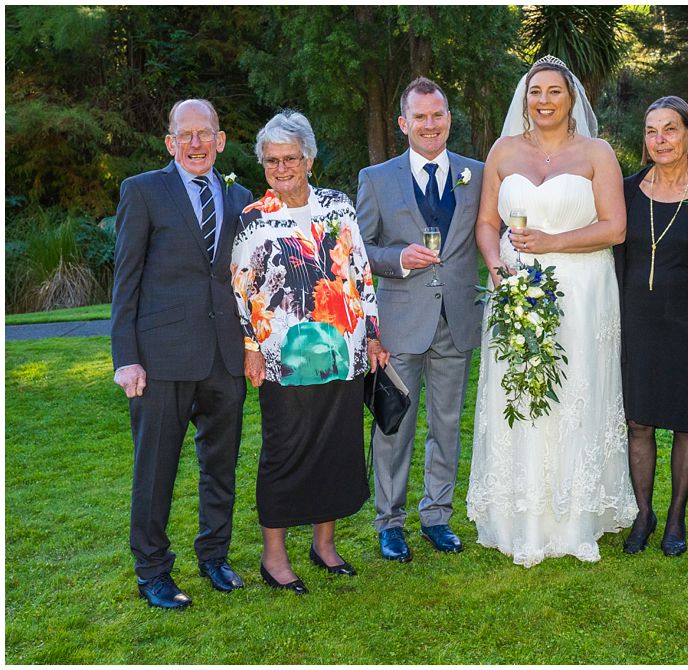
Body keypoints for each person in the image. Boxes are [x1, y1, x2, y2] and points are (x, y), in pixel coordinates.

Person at [466, 56, 637, 568]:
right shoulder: (502, 151)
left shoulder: (597, 153)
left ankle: (575, 515)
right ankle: (523, 513)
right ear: (525, 100)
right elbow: (485, 224)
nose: (543, 100)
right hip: (516, 288)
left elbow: (615, 227)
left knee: (577, 391)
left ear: (571, 100)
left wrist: (552, 241)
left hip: (583, 290)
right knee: (519, 391)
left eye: (554, 92)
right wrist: (497, 267)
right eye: (535, 92)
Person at [232, 110, 388, 593]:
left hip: (344, 354)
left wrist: (374, 334)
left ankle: (324, 546)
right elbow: (240, 289)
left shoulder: (338, 206)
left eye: (291, 158)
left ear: (310, 159)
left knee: (336, 449)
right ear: (262, 165)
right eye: (272, 160)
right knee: (284, 451)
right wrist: (249, 347)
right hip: (284, 360)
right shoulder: (254, 219)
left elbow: (361, 274)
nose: (281, 168)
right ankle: (273, 557)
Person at [111, 99, 252, 609]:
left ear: (220, 139)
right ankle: (152, 571)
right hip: (161, 359)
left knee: (222, 466)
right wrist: (125, 356)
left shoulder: (240, 197)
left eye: (205, 133)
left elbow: (245, 281)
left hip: (224, 358)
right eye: (184, 134)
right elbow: (125, 280)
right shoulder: (143, 191)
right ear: (170, 143)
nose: (196, 143)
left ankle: (215, 556)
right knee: (155, 470)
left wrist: (253, 347)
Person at [356, 77, 484, 562]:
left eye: (439, 115)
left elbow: (489, 233)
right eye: (420, 117)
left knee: (447, 424)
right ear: (403, 123)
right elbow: (359, 250)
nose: (430, 125)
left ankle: (437, 516)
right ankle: (390, 522)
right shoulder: (377, 178)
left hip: (457, 319)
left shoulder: (477, 172)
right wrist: (398, 258)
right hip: (400, 324)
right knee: (394, 425)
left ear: (449, 118)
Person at [614, 96, 688, 558]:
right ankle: (645, 514)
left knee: (687, 424)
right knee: (638, 422)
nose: (659, 140)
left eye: (669, 129)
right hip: (638, 325)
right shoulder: (625, 190)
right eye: (651, 131)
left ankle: (677, 517)